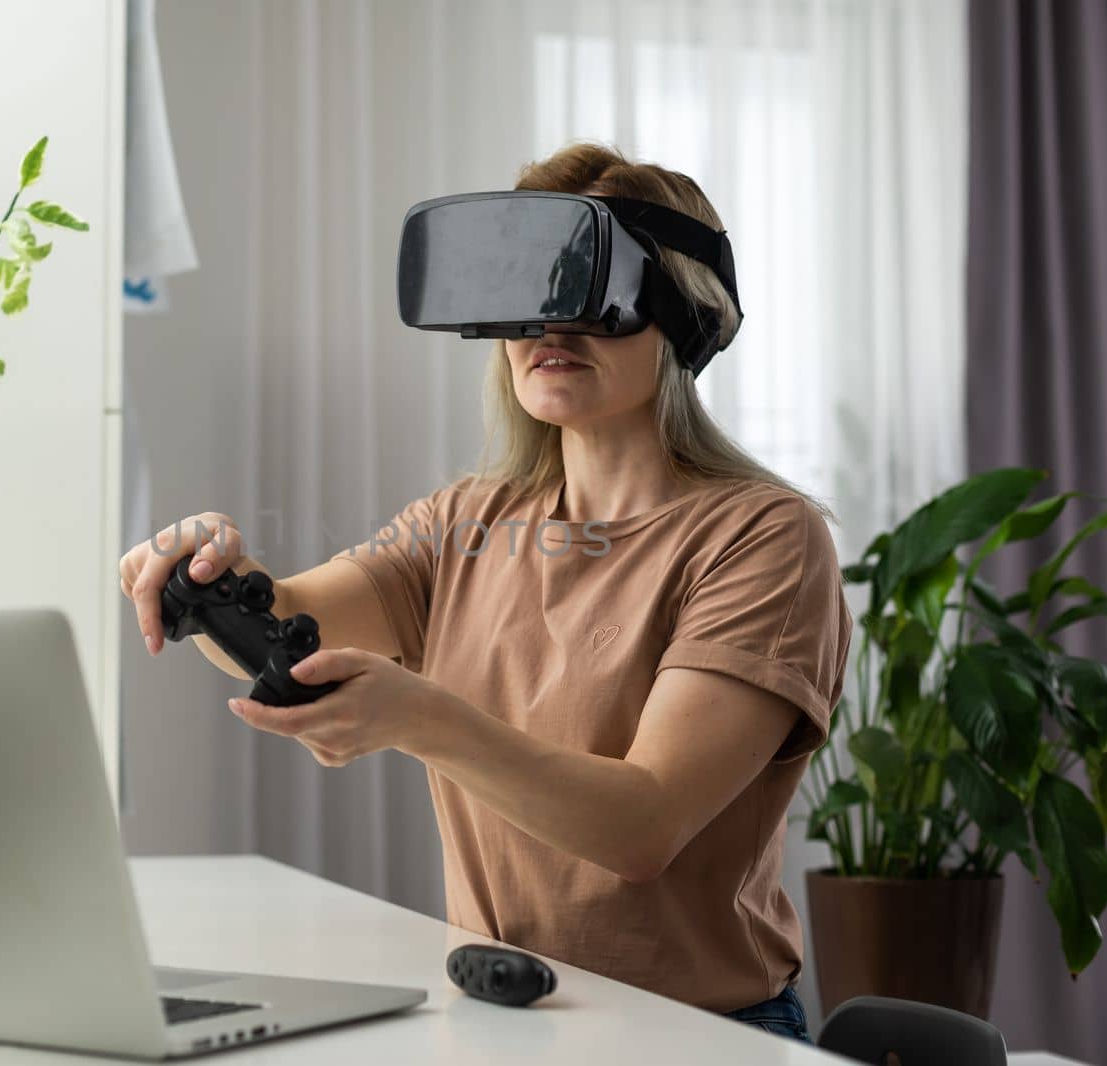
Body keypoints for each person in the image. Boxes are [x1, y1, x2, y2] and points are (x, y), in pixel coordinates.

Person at [119, 143, 851, 1042]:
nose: (549, 325)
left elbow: (644, 827)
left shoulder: (763, 537)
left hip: (698, 1036)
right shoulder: (462, 522)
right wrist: (202, 578)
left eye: (584, 289)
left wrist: (419, 717)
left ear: (679, 312)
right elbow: (284, 628)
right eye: (527, 291)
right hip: (499, 1025)